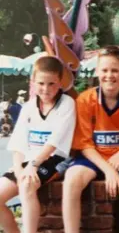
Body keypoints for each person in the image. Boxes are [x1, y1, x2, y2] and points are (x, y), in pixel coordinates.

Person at [62, 46, 119, 233]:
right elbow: (84, 144)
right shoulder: (85, 100)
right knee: (71, 182)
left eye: (115, 70)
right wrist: (109, 171)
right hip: (91, 158)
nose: (109, 75)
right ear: (97, 71)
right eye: (104, 70)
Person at [0, 56, 76, 233]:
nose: (46, 89)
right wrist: (19, 169)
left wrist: (33, 165)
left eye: (51, 83)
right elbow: (18, 142)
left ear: (60, 82)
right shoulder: (28, 107)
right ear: (33, 82)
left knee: (27, 184)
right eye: (41, 83)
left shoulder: (67, 104)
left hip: (54, 158)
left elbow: (54, 141)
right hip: (28, 161)